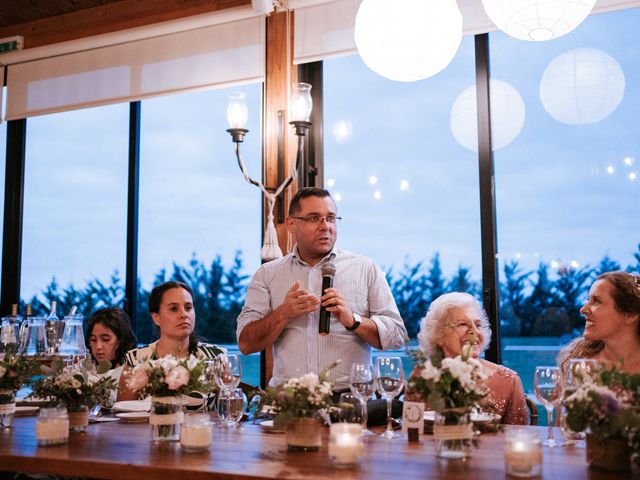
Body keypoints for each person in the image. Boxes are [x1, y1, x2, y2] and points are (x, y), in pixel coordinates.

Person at [236, 187, 407, 391]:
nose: (325, 226)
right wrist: (283, 314)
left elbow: (397, 336)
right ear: (291, 224)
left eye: (331, 218)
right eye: (314, 218)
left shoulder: (365, 268)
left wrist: (354, 321)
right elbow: (246, 344)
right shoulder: (267, 274)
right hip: (290, 403)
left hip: (350, 399)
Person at [406, 292, 528, 425]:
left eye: (478, 324)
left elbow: (519, 436)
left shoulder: (509, 381)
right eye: (462, 324)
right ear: (438, 334)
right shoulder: (421, 376)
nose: (475, 331)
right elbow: (411, 432)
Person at [117, 281, 224, 400]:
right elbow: (123, 413)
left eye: (188, 308)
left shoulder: (215, 357)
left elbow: (230, 410)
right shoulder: (136, 359)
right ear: (156, 317)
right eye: (174, 309)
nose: (184, 314)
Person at [557, 271, 640, 374]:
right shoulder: (576, 362)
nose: (583, 309)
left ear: (630, 315)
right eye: (588, 299)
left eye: (597, 301)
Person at [85, 307, 137, 381]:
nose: (98, 346)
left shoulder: (134, 373)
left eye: (106, 340)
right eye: (93, 340)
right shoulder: (84, 372)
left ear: (121, 340)